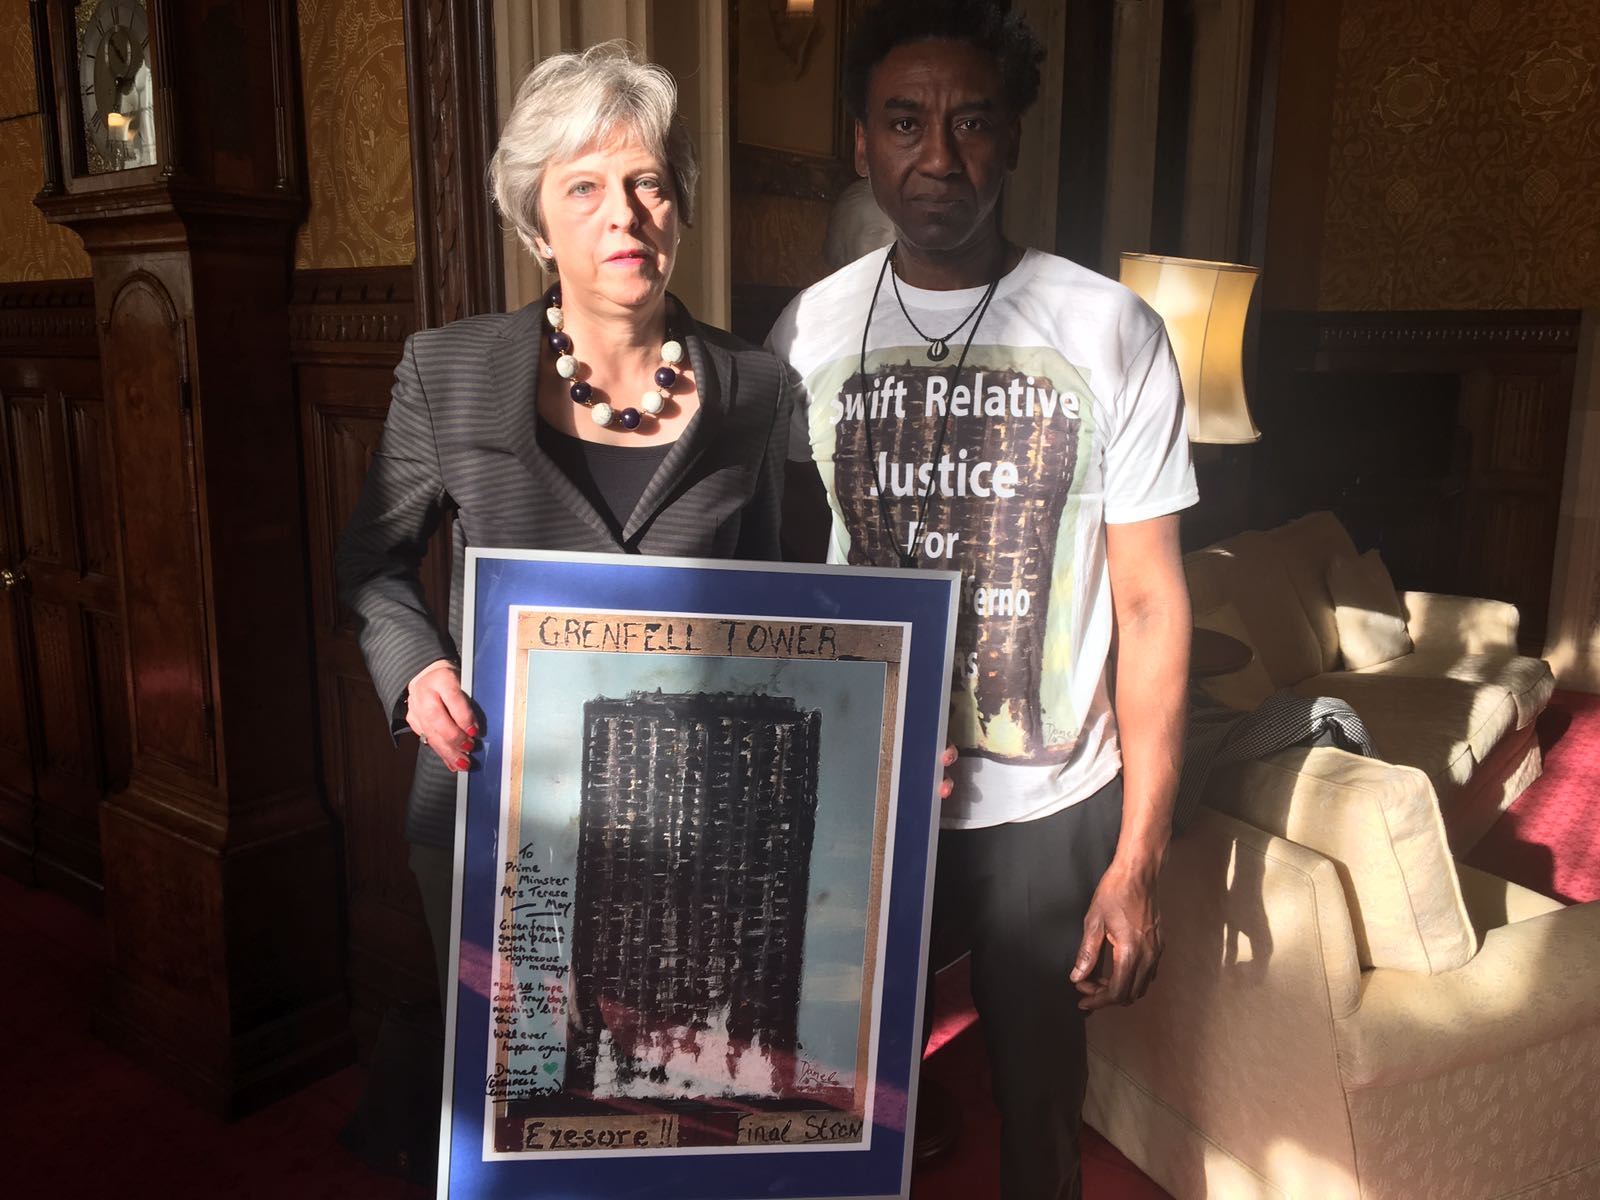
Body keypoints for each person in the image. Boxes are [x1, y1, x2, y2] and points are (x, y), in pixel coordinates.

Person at [769, 2, 1196, 1196]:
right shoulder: (806, 330)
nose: (937, 158)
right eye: (905, 123)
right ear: (862, 142)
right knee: (843, 1109)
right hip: (872, 798)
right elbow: (789, 594)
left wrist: (1139, 860)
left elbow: (1154, 606)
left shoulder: (1111, 330)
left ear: (1011, 140)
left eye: (970, 123)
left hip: (1050, 808)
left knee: (1040, 1116)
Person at [336, 41, 793, 1000]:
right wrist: (418, 672)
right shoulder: (445, 371)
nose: (622, 214)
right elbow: (371, 563)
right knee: (514, 1086)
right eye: (582, 188)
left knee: (661, 1088)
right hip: (496, 800)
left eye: (647, 183)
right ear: (537, 224)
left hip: (693, 815)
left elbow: (784, 602)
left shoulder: (757, 387)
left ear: (680, 207)